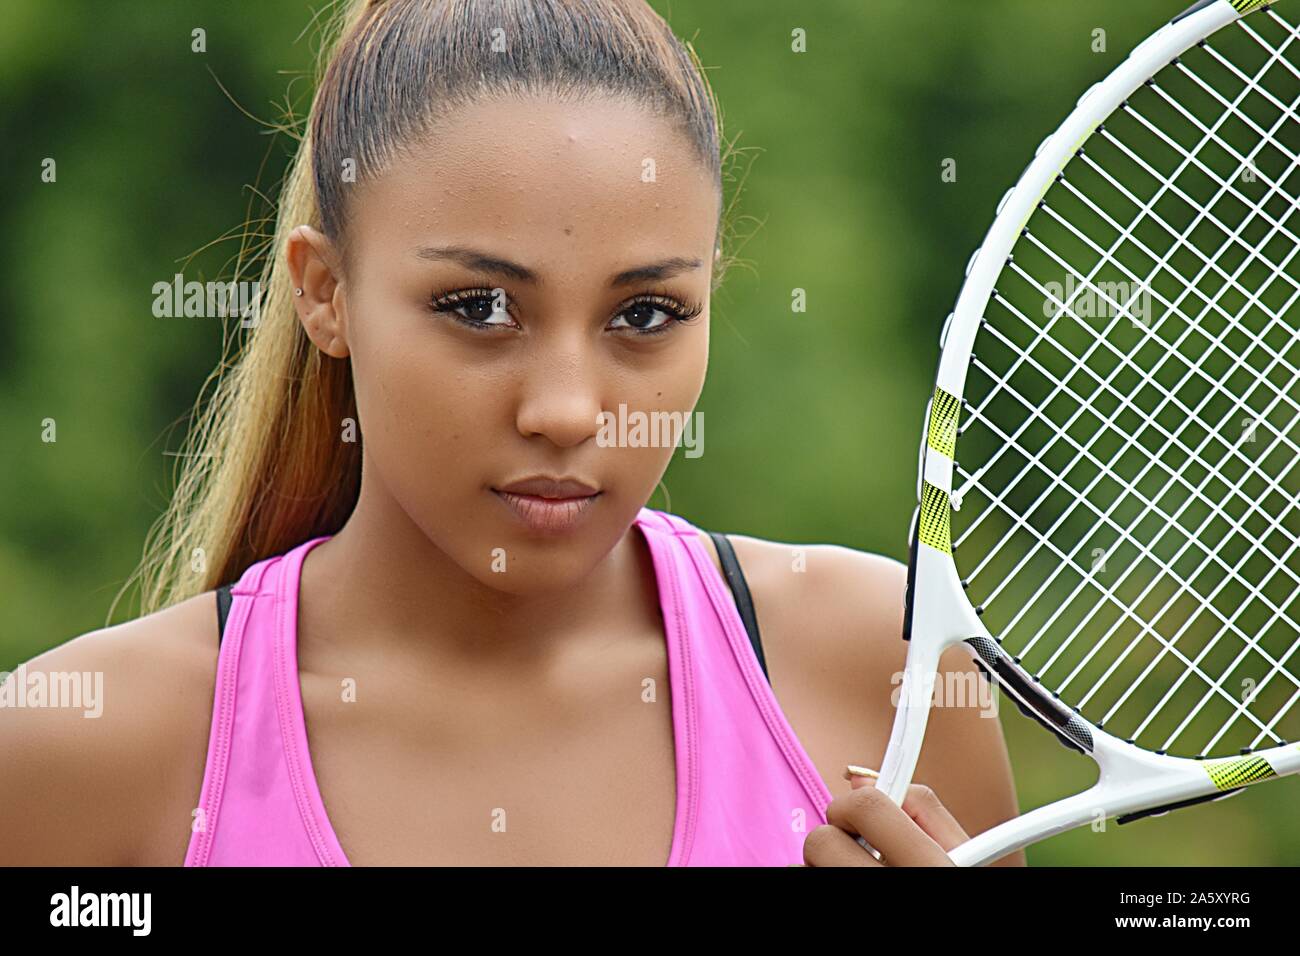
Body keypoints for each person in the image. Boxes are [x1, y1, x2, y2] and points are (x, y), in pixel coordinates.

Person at [0, 0, 1022, 867]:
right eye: (479, 306)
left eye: (646, 314)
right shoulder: (78, 746)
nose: (570, 409)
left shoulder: (887, 672)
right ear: (325, 294)